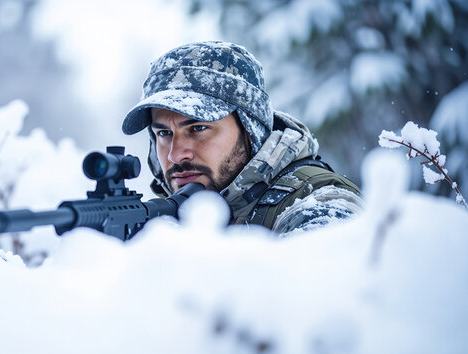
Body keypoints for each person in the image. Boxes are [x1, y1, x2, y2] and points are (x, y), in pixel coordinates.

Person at [121, 41, 363, 234]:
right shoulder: (163, 224)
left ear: (250, 130)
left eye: (197, 129)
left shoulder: (315, 202)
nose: (176, 154)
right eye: (164, 133)